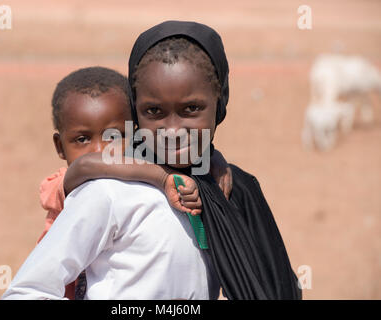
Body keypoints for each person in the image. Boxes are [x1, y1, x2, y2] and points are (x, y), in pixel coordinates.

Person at [3, 66, 230, 299]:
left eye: (115, 136)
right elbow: (87, 165)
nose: (100, 150)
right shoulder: (80, 187)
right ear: (60, 146)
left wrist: (213, 158)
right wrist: (161, 177)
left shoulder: (143, 185)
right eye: (82, 139)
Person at [127, 20, 302, 299]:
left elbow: (276, 285)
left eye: (191, 108)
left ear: (221, 100)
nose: (172, 131)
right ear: (134, 109)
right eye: (154, 110)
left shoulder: (234, 189)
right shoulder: (111, 188)